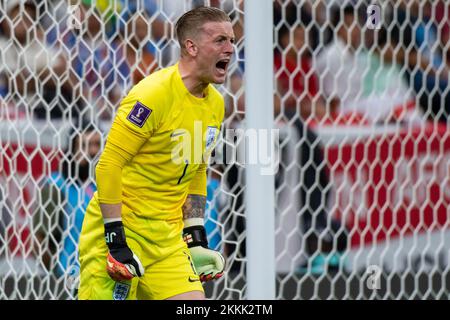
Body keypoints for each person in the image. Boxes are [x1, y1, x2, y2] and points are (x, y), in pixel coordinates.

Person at [77, 6, 234, 300]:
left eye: (232, 41)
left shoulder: (215, 104)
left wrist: (195, 236)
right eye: (220, 40)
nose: (230, 49)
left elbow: (197, 168)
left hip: (168, 240)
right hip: (122, 231)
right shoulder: (152, 95)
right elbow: (108, 164)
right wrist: (116, 241)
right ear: (191, 46)